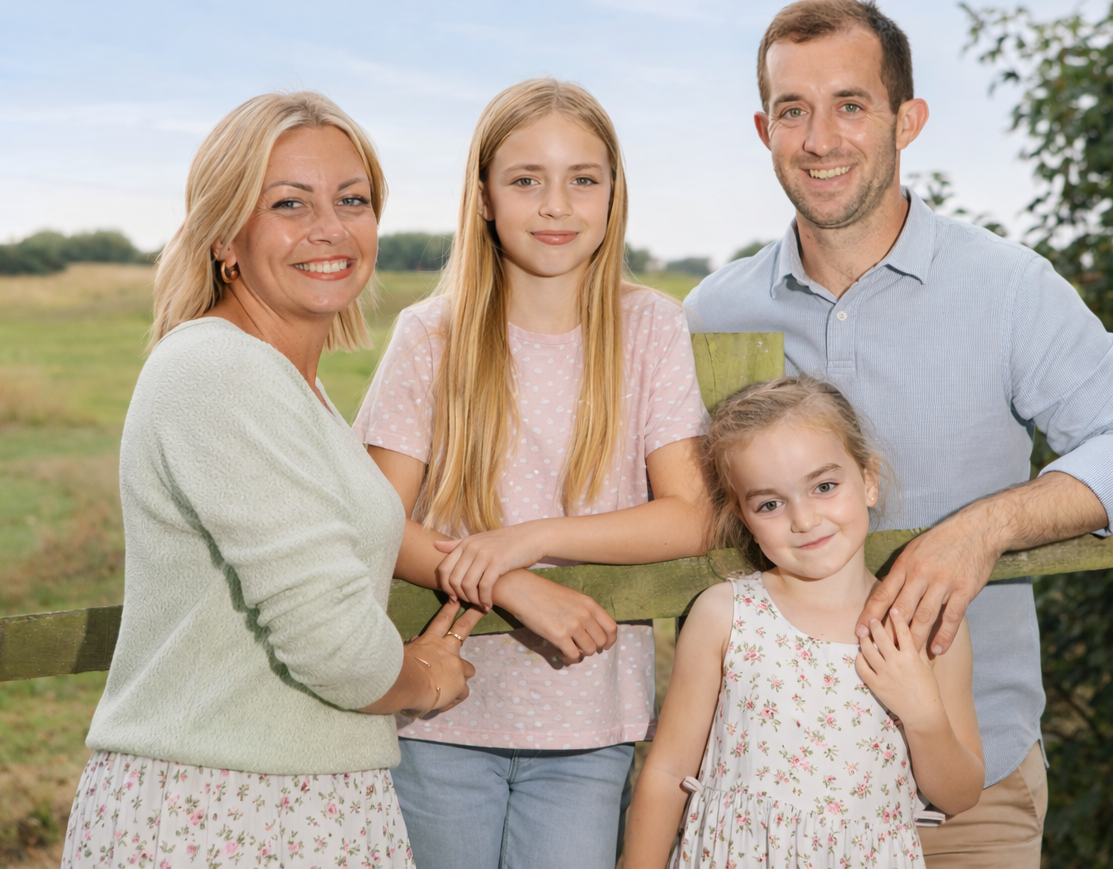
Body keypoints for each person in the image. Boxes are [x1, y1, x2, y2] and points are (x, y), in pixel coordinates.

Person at [682, 0, 1113, 866]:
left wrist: (982, 530)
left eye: (851, 105)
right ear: (763, 129)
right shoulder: (709, 314)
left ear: (906, 120)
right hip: (769, 801)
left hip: (967, 793)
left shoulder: (1007, 288)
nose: (820, 139)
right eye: (792, 111)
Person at [62, 92, 482, 869]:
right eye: (290, 203)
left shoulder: (291, 383)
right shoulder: (219, 369)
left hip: (300, 803)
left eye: (352, 200)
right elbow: (333, 643)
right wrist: (420, 678)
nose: (331, 227)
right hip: (224, 813)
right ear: (226, 235)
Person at [353, 78, 712, 869]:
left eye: (583, 179)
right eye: (526, 180)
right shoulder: (431, 336)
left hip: (589, 723)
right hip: (443, 710)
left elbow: (691, 514)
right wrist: (508, 582)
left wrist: (530, 540)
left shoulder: (649, 325)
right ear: (483, 196)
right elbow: (370, 523)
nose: (556, 206)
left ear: (613, 194)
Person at [624, 376, 984, 867]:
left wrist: (923, 716)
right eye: (770, 504)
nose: (804, 519)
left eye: (824, 486)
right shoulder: (726, 615)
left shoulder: (923, 627)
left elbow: (960, 795)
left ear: (869, 480)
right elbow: (667, 773)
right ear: (743, 516)